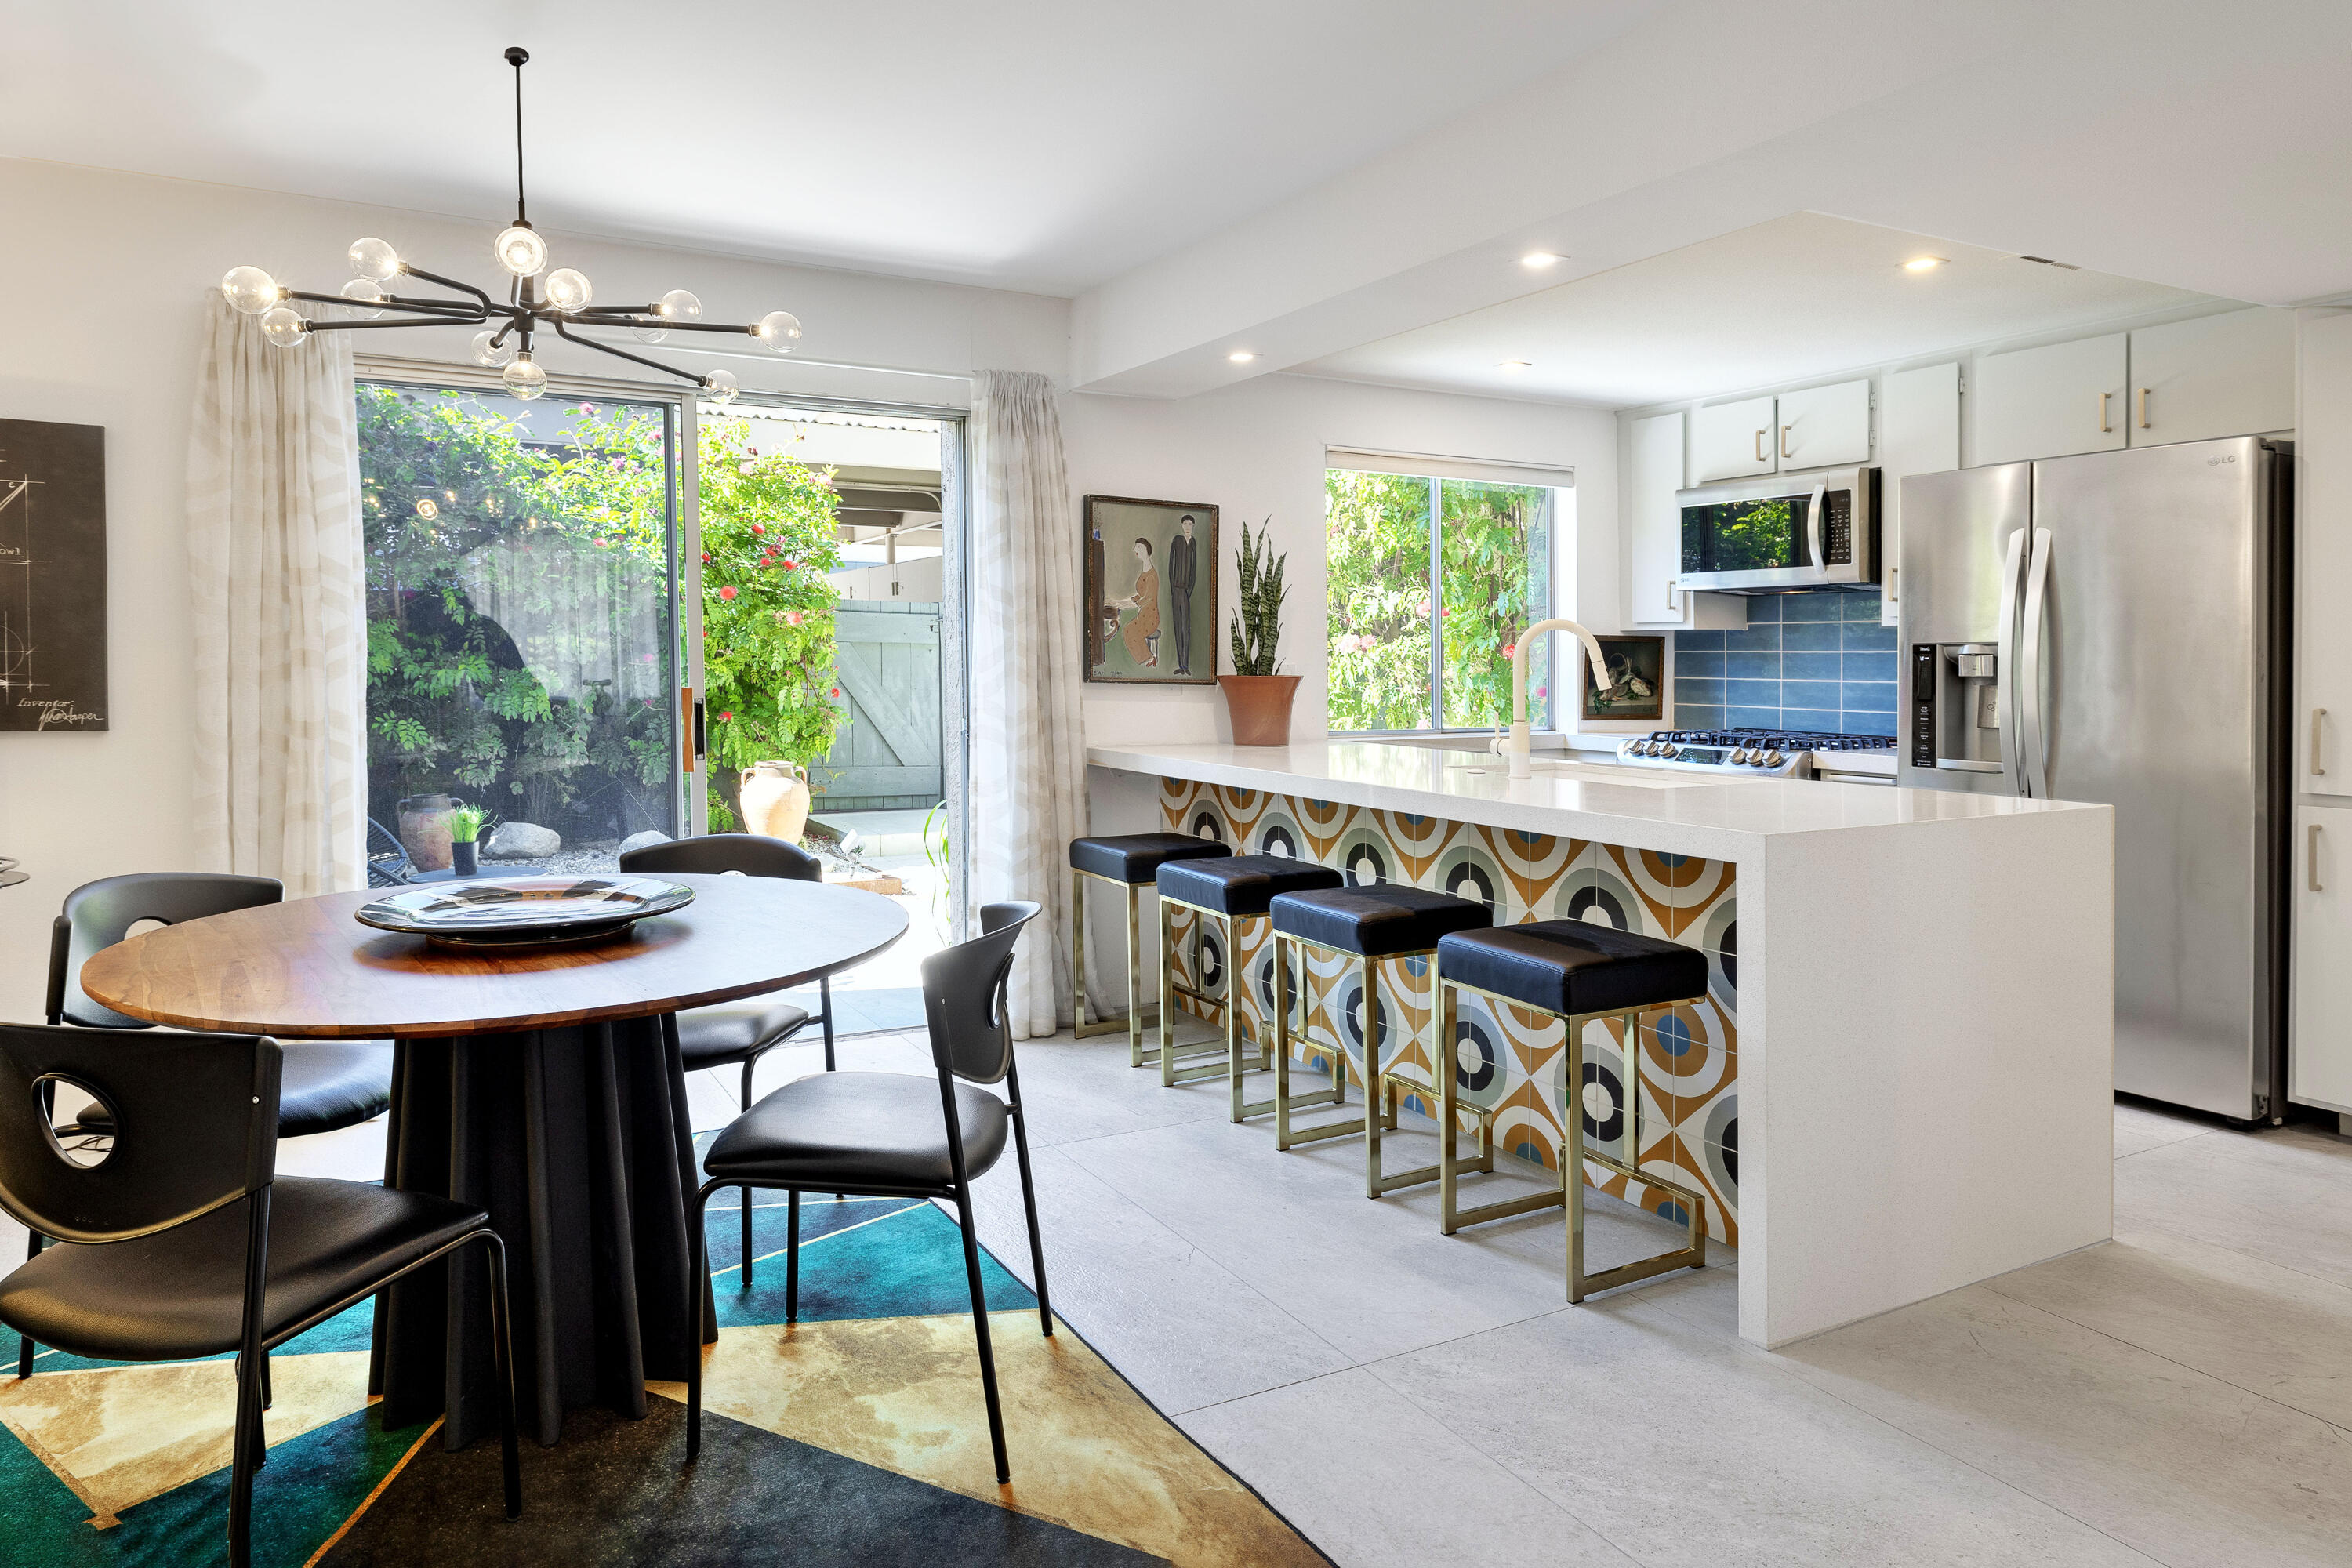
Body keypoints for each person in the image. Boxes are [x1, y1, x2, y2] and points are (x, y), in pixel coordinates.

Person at [1107, 537, 1161, 668]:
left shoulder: (1152, 575)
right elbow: (1139, 596)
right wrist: (1119, 602)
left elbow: (1147, 599)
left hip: (1150, 617)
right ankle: (1150, 657)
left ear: (1144, 549)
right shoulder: (1144, 572)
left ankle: (1150, 658)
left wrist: (1125, 605)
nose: (1134, 550)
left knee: (1130, 631)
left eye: (1138, 547)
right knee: (1128, 631)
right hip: (1143, 615)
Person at [1167, 514, 1200, 675]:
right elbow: (1171, 565)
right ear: (1182, 525)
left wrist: (1190, 590)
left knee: (1185, 628)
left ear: (1193, 526)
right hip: (1176, 590)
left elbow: (1194, 568)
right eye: (1185, 523)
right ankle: (1180, 664)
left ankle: (1186, 665)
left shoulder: (1193, 542)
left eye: (1190, 524)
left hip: (1186, 591)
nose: (1187, 526)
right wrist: (1174, 589)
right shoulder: (1177, 541)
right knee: (1177, 626)